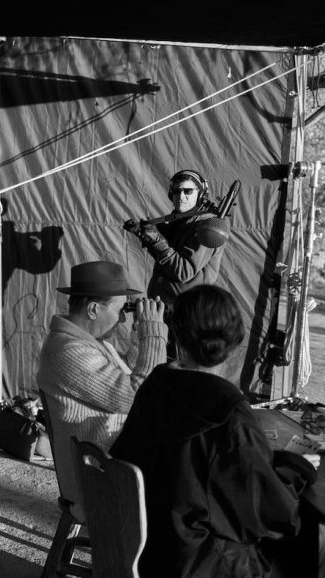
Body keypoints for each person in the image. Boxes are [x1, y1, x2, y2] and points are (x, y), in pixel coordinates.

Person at [110, 284, 321, 577]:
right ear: (235, 341)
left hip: (148, 548)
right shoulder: (228, 412)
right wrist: (299, 467)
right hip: (199, 561)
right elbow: (271, 514)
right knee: (313, 541)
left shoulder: (154, 386)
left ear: (178, 335)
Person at [37, 260, 167, 451]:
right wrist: (153, 333)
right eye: (119, 310)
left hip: (116, 453)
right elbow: (139, 397)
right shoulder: (68, 351)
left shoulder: (90, 342)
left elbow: (128, 373)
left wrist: (140, 334)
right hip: (103, 467)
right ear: (93, 310)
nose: (123, 318)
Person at [125, 169, 226, 309]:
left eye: (188, 191)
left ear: (201, 195)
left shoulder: (207, 228)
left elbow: (184, 271)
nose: (181, 196)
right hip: (163, 307)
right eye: (177, 191)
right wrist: (146, 235)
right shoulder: (179, 222)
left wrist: (155, 240)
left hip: (185, 313)